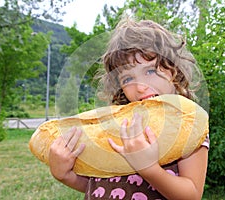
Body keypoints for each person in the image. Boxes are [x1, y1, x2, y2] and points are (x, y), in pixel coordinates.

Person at [49, 17, 209, 200]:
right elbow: (98, 185)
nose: (140, 87)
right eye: (128, 79)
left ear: (173, 71)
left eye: (150, 71)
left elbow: (192, 194)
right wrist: (65, 175)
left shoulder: (187, 124)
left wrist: (149, 169)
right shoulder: (118, 123)